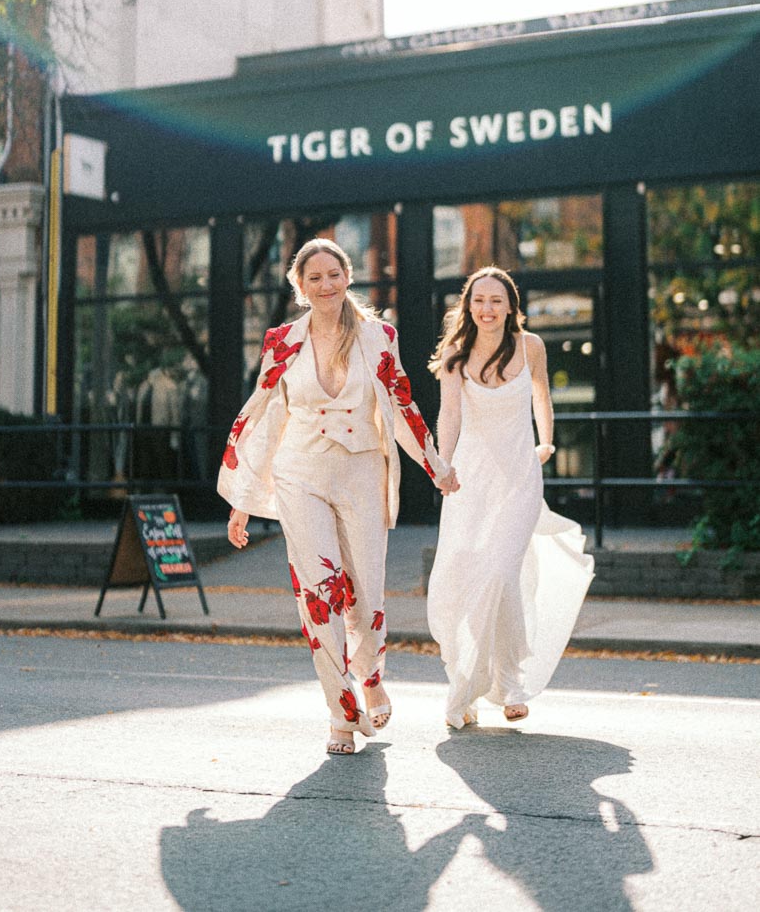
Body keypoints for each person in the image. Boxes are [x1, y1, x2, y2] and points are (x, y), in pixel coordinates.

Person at [219, 237, 459, 756]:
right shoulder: (282, 340)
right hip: (300, 473)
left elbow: (402, 407)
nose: (325, 285)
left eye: (334, 274)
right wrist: (243, 497)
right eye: (314, 278)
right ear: (300, 287)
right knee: (320, 593)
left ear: (348, 277)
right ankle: (340, 714)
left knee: (365, 594)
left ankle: (370, 676)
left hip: (361, 473)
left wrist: (435, 466)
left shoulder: (379, 337)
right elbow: (264, 414)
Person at [426, 266, 594, 729]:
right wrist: (444, 465)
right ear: (468, 305)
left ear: (510, 306)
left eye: (496, 300)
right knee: (471, 579)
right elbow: (450, 417)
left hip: (520, 476)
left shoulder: (531, 346)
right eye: (479, 300)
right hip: (471, 481)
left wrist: (547, 441)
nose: (487, 309)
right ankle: (470, 681)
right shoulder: (456, 355)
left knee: (501, 572)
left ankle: (511, 682)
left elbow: (543, 396)